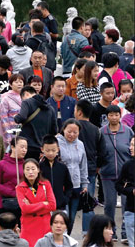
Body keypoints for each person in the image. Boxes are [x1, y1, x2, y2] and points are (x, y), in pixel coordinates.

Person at [100, 105, 134, 241]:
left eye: (116, 115)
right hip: (107, 173)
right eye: (111, 115)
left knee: (127, 205)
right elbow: (98, 151)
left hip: (126, 176)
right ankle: (110, 231)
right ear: (107, 117)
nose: (114, 117)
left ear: (120, 116)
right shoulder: (101, 132)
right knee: (109, 204)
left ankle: (126, 233)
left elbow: (132, 150)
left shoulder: (128, 131)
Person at [74, 99, 105, 235]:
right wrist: (97, 167)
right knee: (88, 203)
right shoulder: (96, 130)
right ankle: (88, 234)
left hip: (73, 170)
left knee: (71, 203)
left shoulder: (71, 127)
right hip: (90, 171)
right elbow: (102, 152)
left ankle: (65, 234)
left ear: (79, 112)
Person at [54, 120, 88, 234]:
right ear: (63, 129)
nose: (72, 134)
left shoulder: (81, 144)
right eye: (69, 131)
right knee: (63, 216)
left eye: (75, 132)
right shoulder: (56, 143)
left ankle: (66, 239)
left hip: (76, 185)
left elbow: (83, 165)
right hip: (61, 186)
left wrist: (84, 183)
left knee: (72, 217)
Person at [16, 159, 56, 246]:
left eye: (33, 169)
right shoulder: (20, 188)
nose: (30, 172)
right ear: (23, 171)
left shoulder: (46, 184)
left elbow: (53, 205)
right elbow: (24, 208)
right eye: (27, 169)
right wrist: (43, 204)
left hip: (44, 225)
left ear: (38, 170)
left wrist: (31, 206)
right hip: (28, 226)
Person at [14, 86, 58, 160]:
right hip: (42, 148)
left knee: (28, 169)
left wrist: (16, 117)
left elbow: (22, 117)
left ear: (26, 94)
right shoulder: (50, 108)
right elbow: (54, 130)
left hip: (27, 147)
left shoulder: (27, 102)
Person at [0, 137, 28, 226]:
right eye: (22, 147)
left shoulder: (27, 165)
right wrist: (13, 192)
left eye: (26, 148)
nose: (24, 150)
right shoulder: (1, 164)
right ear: (12, 147)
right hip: (5, 203)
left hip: (22, 204)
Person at [116, 137, 134, 247]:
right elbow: (118, 185)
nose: (130, 148)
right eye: (130, 144)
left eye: (133, 145)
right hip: (131, 211)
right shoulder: (128, 165)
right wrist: (131, 190)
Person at [0, 74, 25, 147]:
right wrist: (8, 135)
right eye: (16, 82)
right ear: (10, 84)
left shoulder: (25, 97)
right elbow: (3, 117)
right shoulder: (6, 98)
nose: (19, 84)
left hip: (21, 129)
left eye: (21, 82)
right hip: (10, 128)